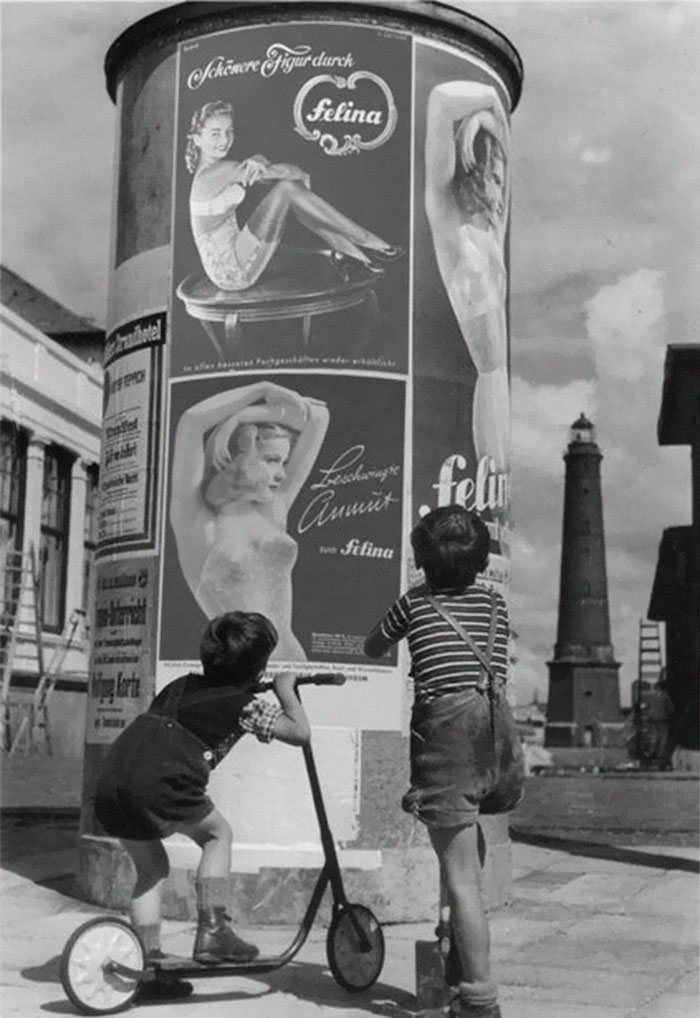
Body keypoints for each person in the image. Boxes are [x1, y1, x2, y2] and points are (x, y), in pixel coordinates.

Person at [94, 611, 310, 1000]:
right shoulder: (245, 705)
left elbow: (200, 708)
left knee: (152, 869)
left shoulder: (181, 685)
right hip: (162, 783)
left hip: (113, 781)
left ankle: (147, 968)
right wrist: (285, 689)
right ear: (257, 667)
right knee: (217, 835)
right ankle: (213, 930)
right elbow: (299, 733)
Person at [364, 505, 524, 1018]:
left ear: (422, 561)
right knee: (465, 851)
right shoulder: (495, 603)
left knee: (461, 881)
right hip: (495, 735)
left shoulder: (414, 605)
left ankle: (479, 996)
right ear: (479, 561)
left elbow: (374, 647)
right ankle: (458, 967)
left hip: (449, 736)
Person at [170, 380, 329, 661]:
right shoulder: (197, 520)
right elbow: (192, 421)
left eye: (283, 461)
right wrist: (261, 390)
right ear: (234, 457)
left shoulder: (273, 508)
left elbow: (318, 417)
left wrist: (245, 416)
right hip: (240, 669)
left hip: (295, 661)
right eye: (271, 460)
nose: (281, 474)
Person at [186, 100, 401, 290]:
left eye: (229, 131)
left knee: (292, 197)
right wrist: (301, 175)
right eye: (215, 133)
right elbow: (290, 173)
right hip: (233, 270)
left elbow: (264, 174)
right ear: (197, 139)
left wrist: (260, 161)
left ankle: (357, 257)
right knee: (288, 189)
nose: (224, 139)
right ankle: (366, 242)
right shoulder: (216, 172)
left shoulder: (215, 170)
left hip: (235, 252)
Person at [425, 82, 511, 474]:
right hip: (488, 384)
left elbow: (505, 147)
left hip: (500, 387)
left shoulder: (495, 231)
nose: (497, 189)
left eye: (500, 178)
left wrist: (485, 120)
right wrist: (488, 105)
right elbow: (441, 102)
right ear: (468, 169)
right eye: (489, 176)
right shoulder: (449, 224)